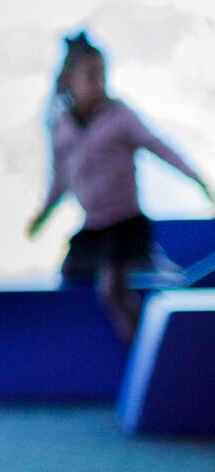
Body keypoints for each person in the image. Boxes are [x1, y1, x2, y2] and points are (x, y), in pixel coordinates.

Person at [27, 30, 212, 342]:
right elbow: (60, 180)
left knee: (112, 288)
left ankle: (143, 347)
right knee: (71, 275)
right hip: (95, 227)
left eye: (102, 75)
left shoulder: (119, 115)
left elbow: (160, 147)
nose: (99, 82)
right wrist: (42, 216)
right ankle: (149, 264)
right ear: (69, 80)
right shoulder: (60, 127)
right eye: (90, 76)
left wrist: (198, 180)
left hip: (127, 224)